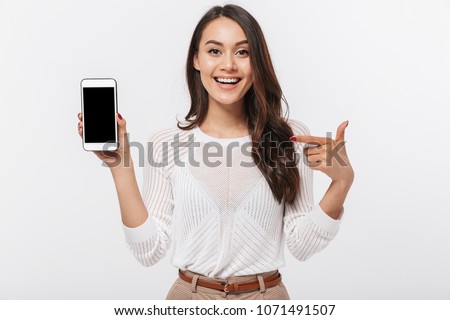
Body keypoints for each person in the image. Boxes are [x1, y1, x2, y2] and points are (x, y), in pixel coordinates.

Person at [77, 4, 354, 300]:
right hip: (189, 299)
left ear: (257, 61)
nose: (229, 65)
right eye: (214, 51)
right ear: (196, 59)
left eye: (242, 52)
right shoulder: (166, 144)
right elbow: (148, 251)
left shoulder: (289, 138)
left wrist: (341, 183)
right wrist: (121, 166)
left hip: (266, 299)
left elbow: (303, 245)